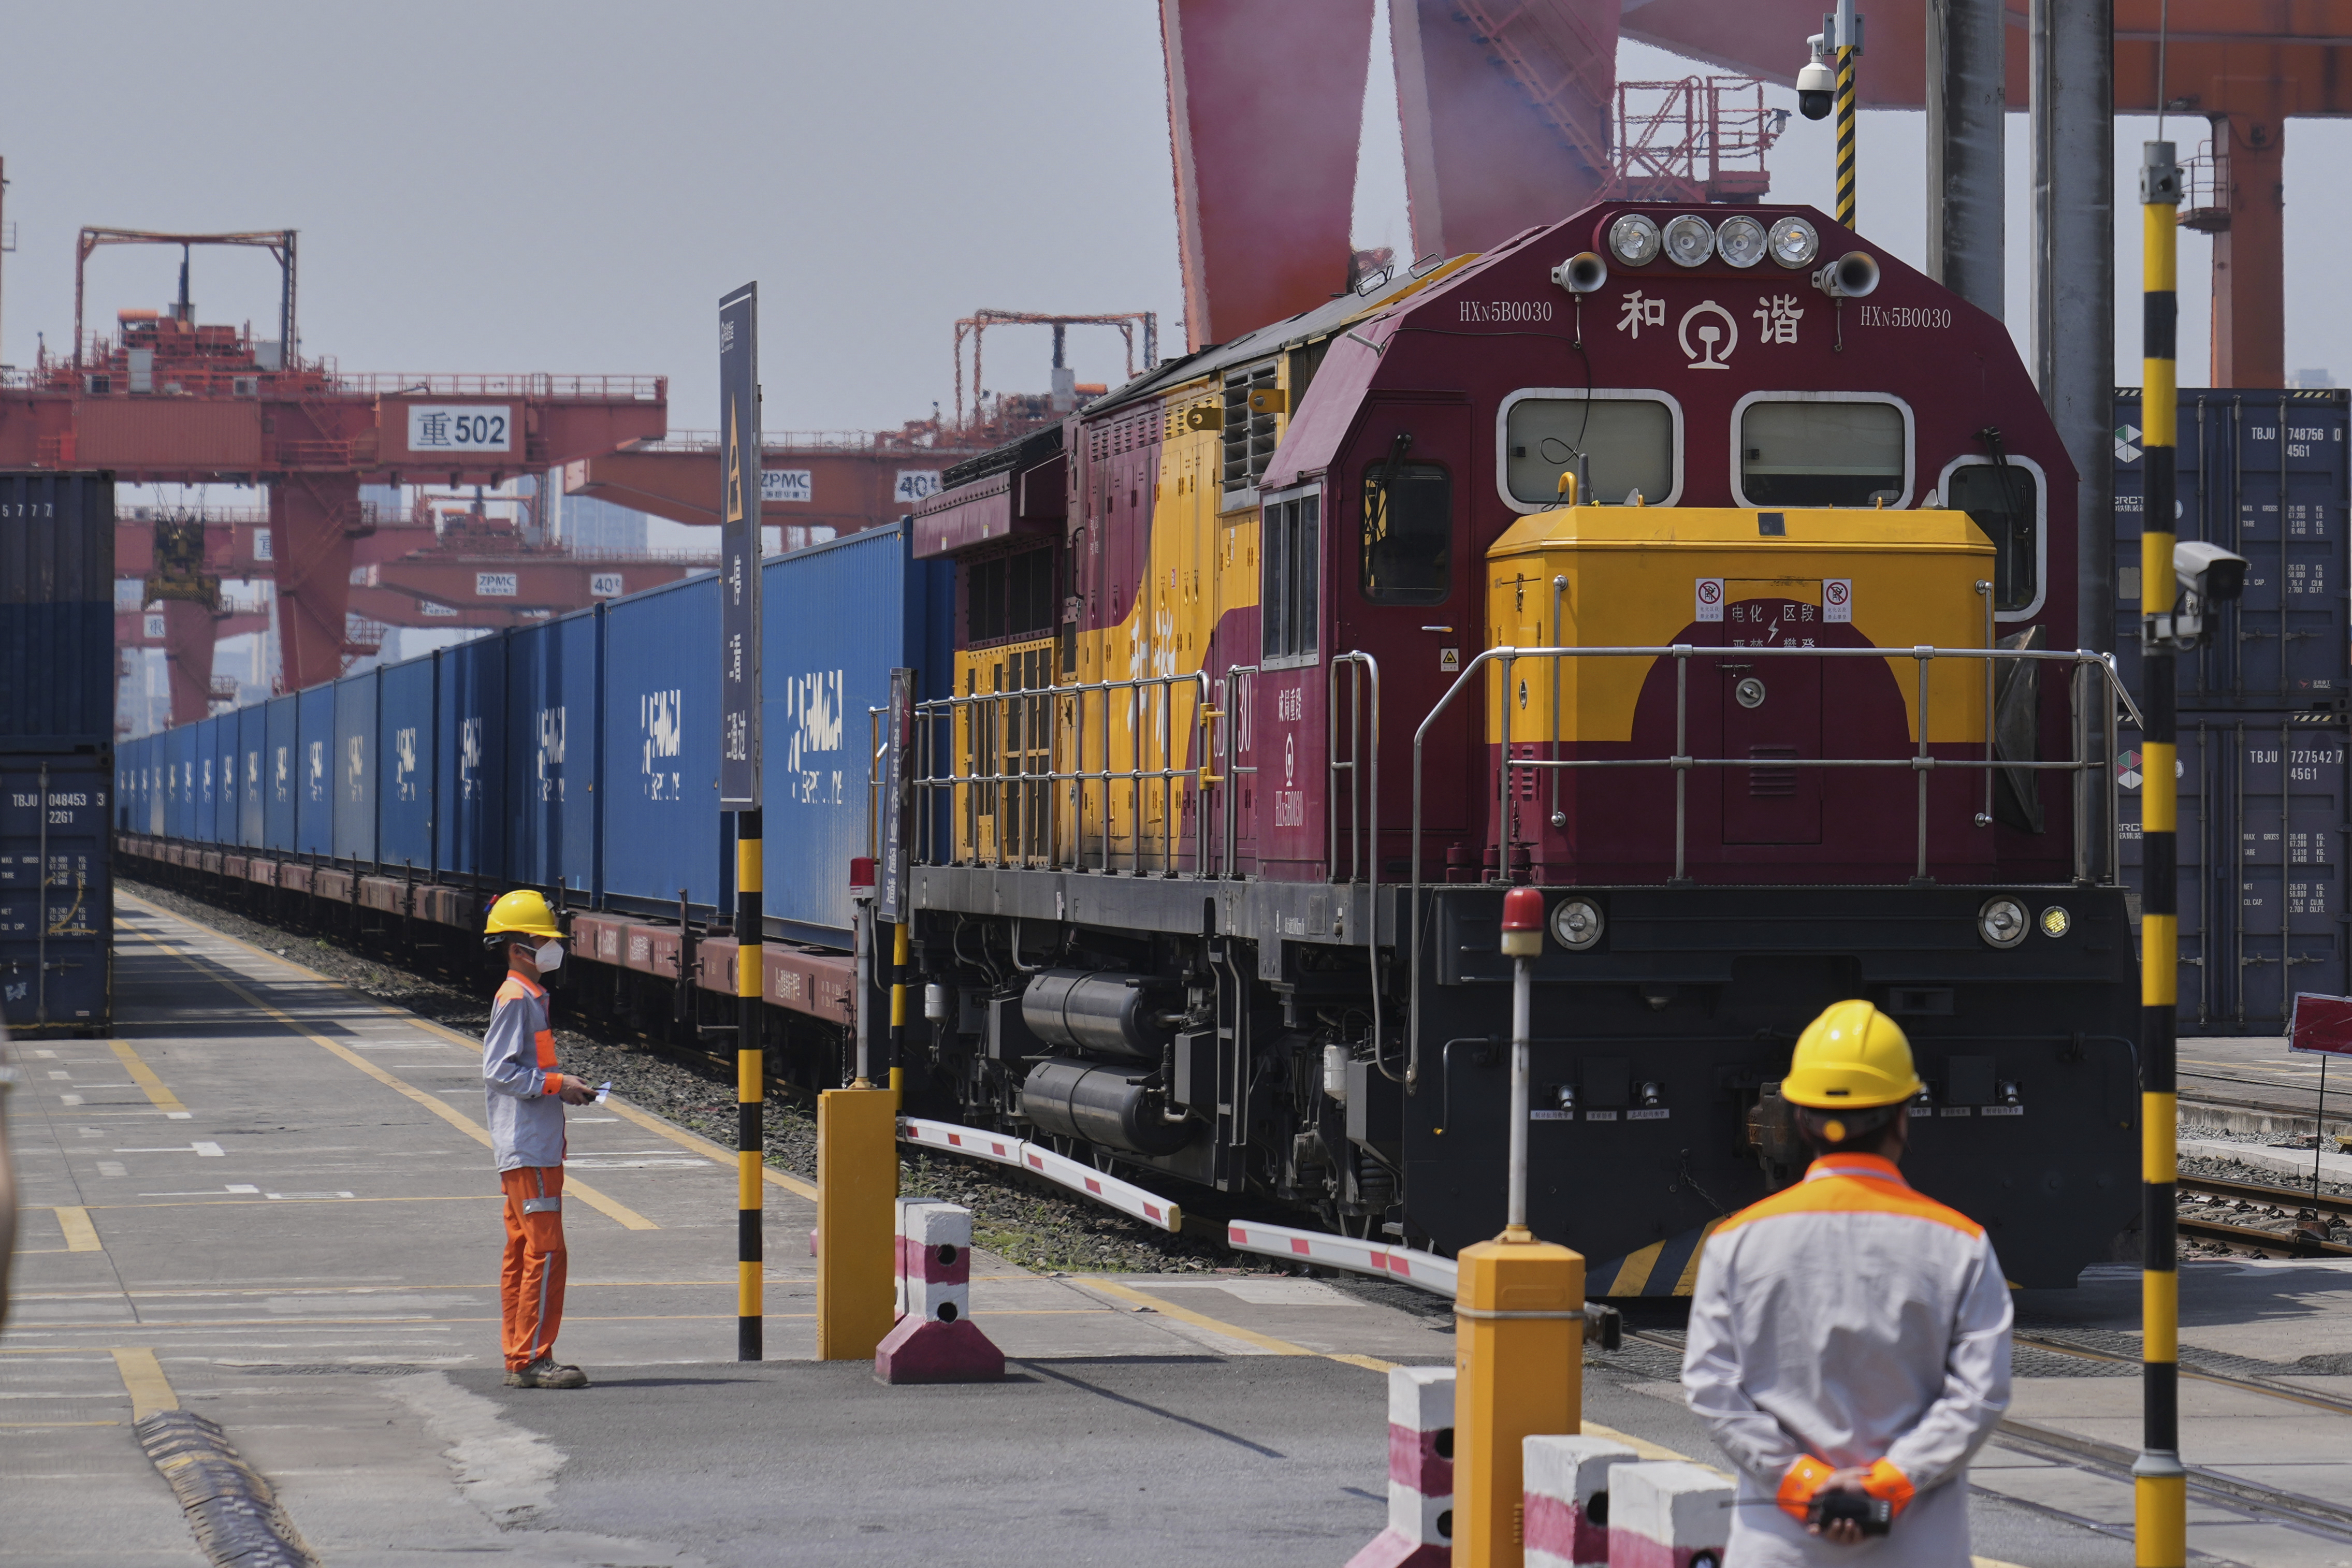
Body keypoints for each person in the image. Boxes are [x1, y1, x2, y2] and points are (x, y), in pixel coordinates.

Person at [1682, 999, 2012, 1565]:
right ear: (1904, 1115)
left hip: (1780, 1550)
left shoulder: (1738, 1242)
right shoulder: (1961, 1244)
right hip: (1916, 1550)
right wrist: (1886, 1485)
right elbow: (1979, 1394)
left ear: (1800, 1120)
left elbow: (1711, 1385)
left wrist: (1803, 1484)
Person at [482, 889, 598, 1390]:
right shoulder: (515, 998)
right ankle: (532, 1357)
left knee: (523, 1252)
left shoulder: (530, 997)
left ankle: (519, 1354)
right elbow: (499, 1071)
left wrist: (561, 1081)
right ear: (517, 949)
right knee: (546, 1252)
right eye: (541, 940)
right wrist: (558, 1084)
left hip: (530, 1148)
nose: (552, 948)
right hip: (529, 1150)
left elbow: (525, 1069)